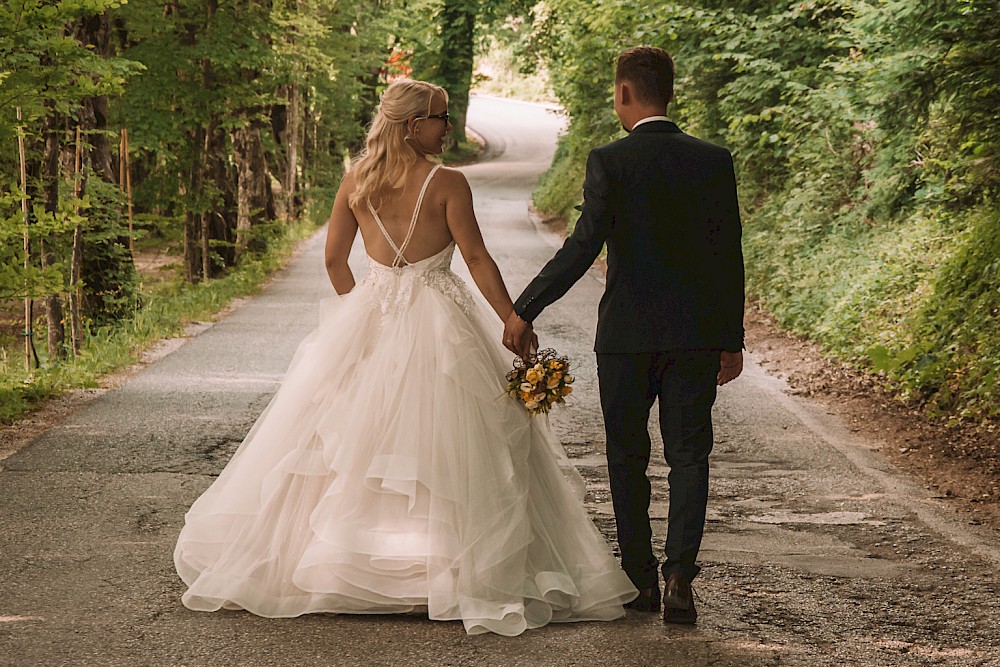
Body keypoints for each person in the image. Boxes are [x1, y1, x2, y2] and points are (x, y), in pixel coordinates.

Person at [173, 78, 637, 636]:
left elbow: (335, 262)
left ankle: (362, 570)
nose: (449, 124)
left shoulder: (358, 180)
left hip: (372, 314)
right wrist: (512, 318)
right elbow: (476, 258)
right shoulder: (447, 184)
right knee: (451, 446)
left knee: (358, 447)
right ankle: (440, 571)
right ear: (414, 125)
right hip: (442, 319)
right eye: (442, 117)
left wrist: (360, 314)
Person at [503, 46, 745, 624]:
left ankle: (639, 579)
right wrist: (730, 338)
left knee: (626, 457)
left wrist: (526, 307)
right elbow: (727, 255)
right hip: (693, 338)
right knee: (690, 456)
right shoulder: (713, 160)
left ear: (624, 94)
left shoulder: (610, 161)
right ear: (670, 91)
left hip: (626, 339)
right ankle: (681, 574)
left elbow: (583, 246)